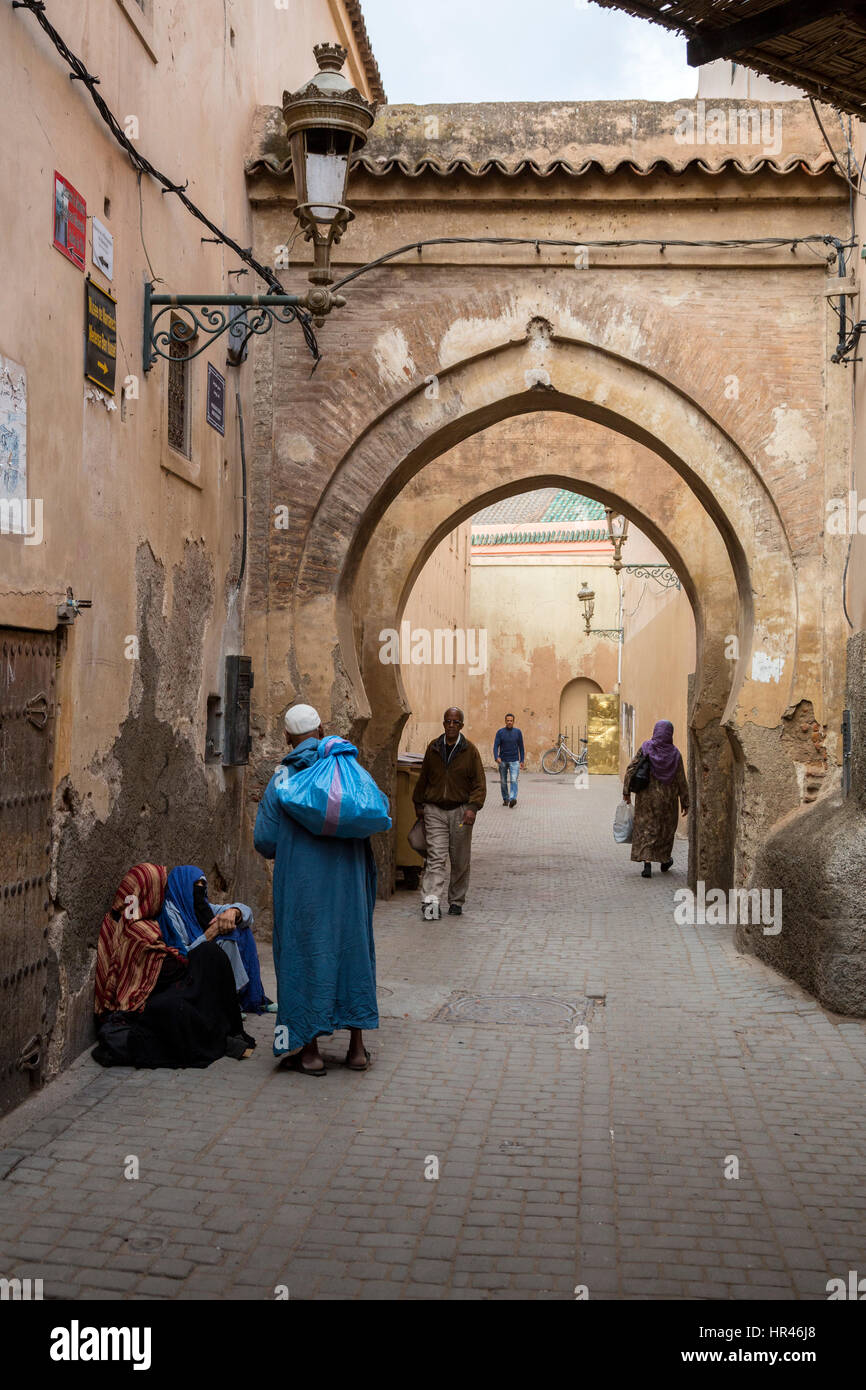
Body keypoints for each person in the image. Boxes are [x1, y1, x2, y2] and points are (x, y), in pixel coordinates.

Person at [253, 703, 378, 1077]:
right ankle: (357, 1049)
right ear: (321, 730)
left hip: (303, 887)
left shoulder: (284, 777)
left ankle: (310, 1054)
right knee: (353, 953)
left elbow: (265, 839)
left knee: (304, 956)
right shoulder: (346, 768)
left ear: (287, 737)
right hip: (350, 886)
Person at [92, 863, 255, 1068]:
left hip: (167, 986)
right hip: (138, 1003)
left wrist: (234, 912)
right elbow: (152, 972)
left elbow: (245, 913)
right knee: (178, 1009)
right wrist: (205, 938)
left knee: (211, 956)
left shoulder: (159, 919)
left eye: (203, 887)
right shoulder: (145, 925)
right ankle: (219, 1038)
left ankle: (226, 1028)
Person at [157, 865, 274, 1014]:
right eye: (196, 884)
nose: (200, 889)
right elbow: (181, 954)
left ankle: (253, 998)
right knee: (225, 936)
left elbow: (247, 913)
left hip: (209, 964)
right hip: (189, 970)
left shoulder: (201, 908)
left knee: (242, 929)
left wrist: (234, 912)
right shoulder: (170, 915)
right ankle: (231, 1002)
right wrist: (209, 935)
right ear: (182, 885)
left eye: (203, 884)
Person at [413, 707, 486, 920]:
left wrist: (472, 807)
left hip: (461, 811)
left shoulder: (469, 751)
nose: (451, 725)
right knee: (436, 857)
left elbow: (479, 784)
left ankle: (456, 900)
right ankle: (431, 903)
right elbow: (424, 777)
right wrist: (418, 803)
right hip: (435, 810)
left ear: (461, 725)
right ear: (443, 724)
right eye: (448, 721)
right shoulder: (434, 748)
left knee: (460, 859)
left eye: (455, 722)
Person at [622, 719, 689, 878]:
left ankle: (647, 864)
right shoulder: (675, 755)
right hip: (667, 803)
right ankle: (665, 860)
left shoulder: (646, 748)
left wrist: (626, 792)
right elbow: (681, 779)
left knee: (646, 829)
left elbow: (631, 769)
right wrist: (685, 802)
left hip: (646, 800)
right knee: (664, 831)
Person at [493, 712, 525, 808]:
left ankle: (512, 799)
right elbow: (495, 746)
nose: (509, 722)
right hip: (502, 760)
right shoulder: (500, 732)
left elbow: (521, 747)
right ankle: (505, 799)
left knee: (514, 780)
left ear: (513, 721)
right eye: (508, 720)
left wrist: (522, 760)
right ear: (505, 721)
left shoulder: (518, 732)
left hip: (514, 760)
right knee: (503, 781)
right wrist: (496, 757)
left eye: (511, 721)